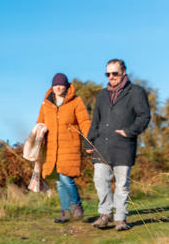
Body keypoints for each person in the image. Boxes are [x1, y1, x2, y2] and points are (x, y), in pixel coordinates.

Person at [86, 59, 151, 231]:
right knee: (100, 181)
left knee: (122, 185)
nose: (111, 77)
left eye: (114, 73)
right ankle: (104, 214)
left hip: (124, 146)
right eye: (107, 74)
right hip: (102, 145)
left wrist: (129, 131)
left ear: (123, 72)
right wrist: (89, 141)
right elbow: (95, 121)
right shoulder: (101, 95)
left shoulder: (136, 92)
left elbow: (144, 116)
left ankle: (121, 218)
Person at [35, 73, 91, 222]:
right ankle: (65, 212)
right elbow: (40, 123)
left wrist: (90, 138)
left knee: (66, 177)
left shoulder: (76, 101)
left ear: (66, 86)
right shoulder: (46, 104)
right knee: (59, 181)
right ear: (52, 87)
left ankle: (76, 207)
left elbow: (84, 121)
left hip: (69, 146)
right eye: (55, 85)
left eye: (61, 85)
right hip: (51, 148)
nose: (58, 87)